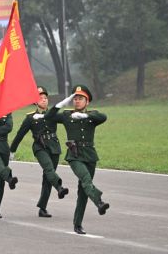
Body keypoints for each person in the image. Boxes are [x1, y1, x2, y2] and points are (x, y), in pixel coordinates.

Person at [44, 85, 110, 235]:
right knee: (86, 179)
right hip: (74, 156)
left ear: (87, 102)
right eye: (75, 98)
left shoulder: (92, 116)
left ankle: (77, 224)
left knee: (83, 191)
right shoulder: (67, 116)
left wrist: (86, 116)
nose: (77, 101)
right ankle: (99, 202)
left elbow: (104, 117)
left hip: (90, 155)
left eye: (81, 99)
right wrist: (61, 104)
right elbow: (49, 116)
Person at [10, 86, 69, 218]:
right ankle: (60, 188)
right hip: (40, 147)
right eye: (40, 98)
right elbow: (20, 135)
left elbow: (67, 121)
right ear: (35, 102)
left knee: (48, 177)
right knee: (49, 169)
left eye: (45, 98)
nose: (44, 100)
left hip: (54, 147)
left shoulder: (53, 115)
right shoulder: (30, 118)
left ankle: (42, 208)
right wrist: (12, 150)